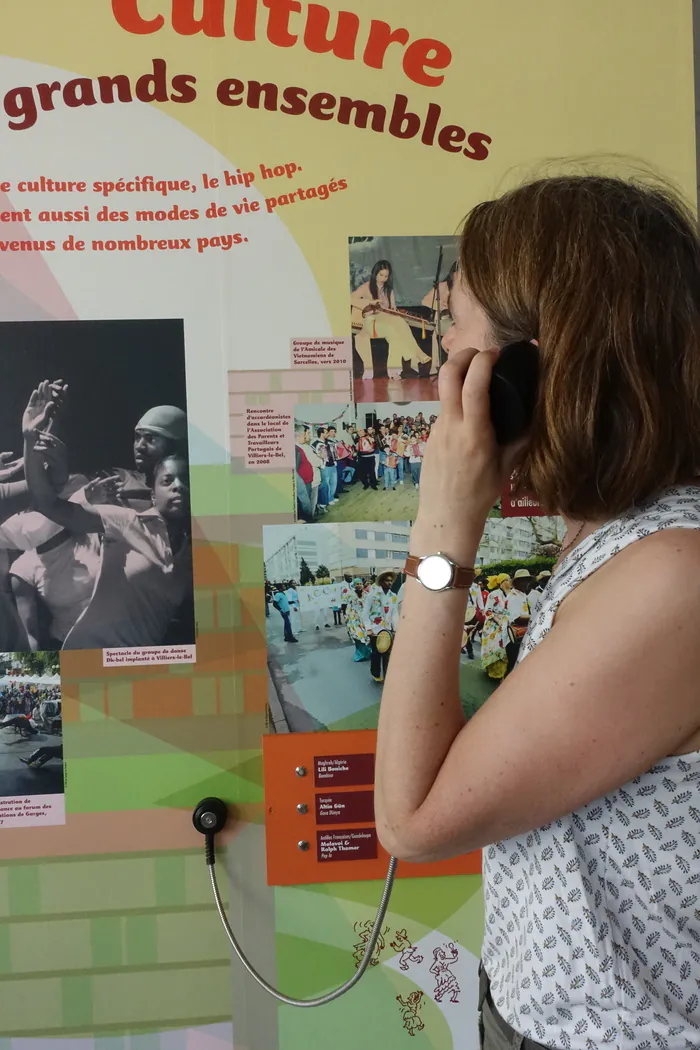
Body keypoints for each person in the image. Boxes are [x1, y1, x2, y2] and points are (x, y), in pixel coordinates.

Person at [374, 173, 700, 1049]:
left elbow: (412, 821)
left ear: (531, 370)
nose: (445, 364)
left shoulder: (671, 574)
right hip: (545, 1011)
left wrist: (443, 527)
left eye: (460, 334)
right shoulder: (616, 538)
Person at [22, 390, 194, 649]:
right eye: (137, 437)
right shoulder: (115, 483)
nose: (140, 445)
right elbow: (50, 501)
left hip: (152, 629)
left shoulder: (191, 524)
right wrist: (37, 443)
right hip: (85, 617)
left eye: (151, 438)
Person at [351, 260, 431, 379]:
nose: (383, 278)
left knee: (400, 323)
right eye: (381, 275)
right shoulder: (366, 287)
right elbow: (350, 299)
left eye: (386, 276)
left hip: (385, 319)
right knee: (393, 328)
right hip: (370, 322)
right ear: (375, 274)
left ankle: (398, 368)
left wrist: (393, 310)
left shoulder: (389, 290)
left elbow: (391, 308)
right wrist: (369, 303)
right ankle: (412, 357)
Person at [363, 570, 399, 684]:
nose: (389, 583)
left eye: (391, 581)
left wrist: (396, 629)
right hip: (375, 629)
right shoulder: (372, 595)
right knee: (376, 653)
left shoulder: (393, 596)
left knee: (387, 653)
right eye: (387, 580)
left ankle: (387, 674)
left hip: (387, 629)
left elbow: (394, 613)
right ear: (382, 581)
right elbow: (365, 613)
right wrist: (368, 628)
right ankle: (376, 674)